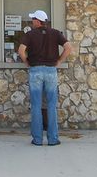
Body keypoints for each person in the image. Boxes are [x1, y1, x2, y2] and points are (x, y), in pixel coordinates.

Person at [17, 9, 72, 146]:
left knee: (36, 105)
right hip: (51, 71)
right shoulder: (55, 33)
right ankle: (53, 139)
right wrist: (59, 61)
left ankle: (37, 139)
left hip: (35, 70)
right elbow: (68, 47)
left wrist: (27, 62)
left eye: (33, 19)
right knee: (51, 105)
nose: (31, 21)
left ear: (37, 21)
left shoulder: (30, 34)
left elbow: (21, 50)